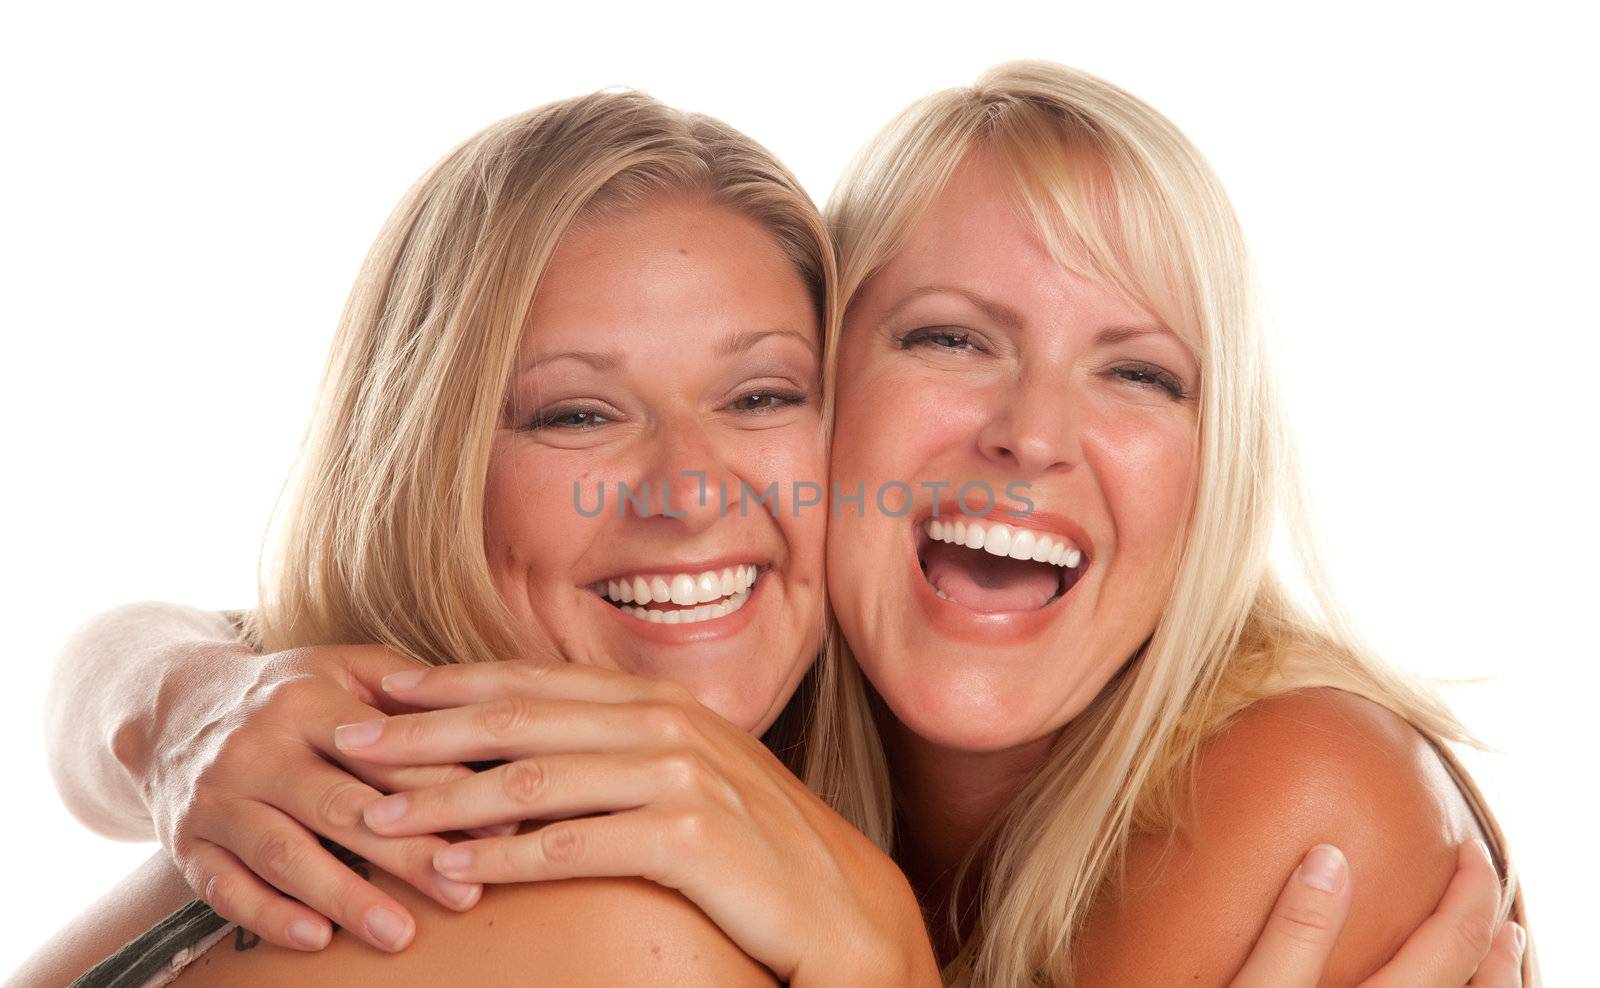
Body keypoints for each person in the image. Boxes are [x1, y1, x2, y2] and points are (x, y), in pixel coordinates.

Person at [24, 67, 1529, 985]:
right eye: (948, 338)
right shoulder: (598, 871)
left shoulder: (1295, 786)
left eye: (1140, 372)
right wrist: (172, 703)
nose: (1032, 432)